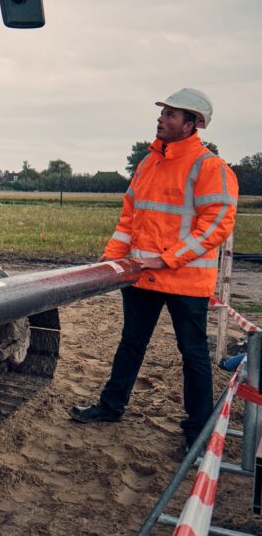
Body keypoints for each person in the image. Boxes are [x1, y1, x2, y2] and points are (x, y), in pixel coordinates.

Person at [68, 88, 238, 453]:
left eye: (171, 114)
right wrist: (111, 260)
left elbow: (216, 225)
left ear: (192, 124)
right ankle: (110, 407)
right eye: (162, 112)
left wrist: (166, 258)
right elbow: (130, 218)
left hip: (185, 279)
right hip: (141, 275)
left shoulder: (210, 168)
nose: (161, 118)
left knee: (193, 353)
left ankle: (197, 432)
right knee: (131, 343)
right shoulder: (148, 163)